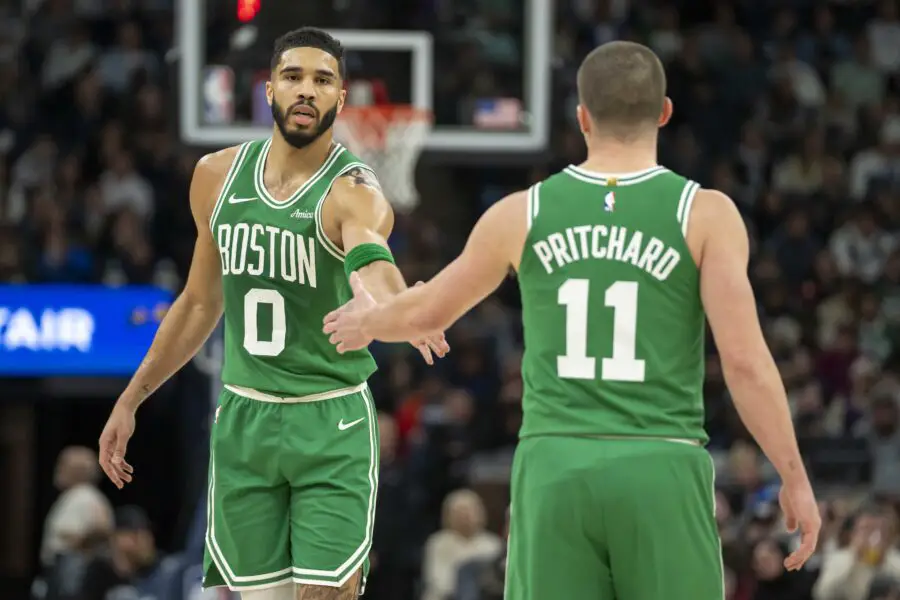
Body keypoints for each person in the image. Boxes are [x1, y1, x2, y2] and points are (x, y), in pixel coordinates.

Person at [323, 40, 822, 600]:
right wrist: (794, 474)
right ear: (663, 113)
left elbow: (427, 311)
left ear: (582, 118)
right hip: (660, 461)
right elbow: (746, 362)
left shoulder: (521, 212)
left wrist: (372, 319)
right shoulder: (706, 214)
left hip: (555, 466)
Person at [98, 27, 448, 600]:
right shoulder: (215, 177)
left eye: (322, 80)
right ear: (268, 89)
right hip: (245, 420)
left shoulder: (353, 190)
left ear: (341, 96)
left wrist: (401, 304)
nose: (306, 90)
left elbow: (372, 261)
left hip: (329, 421)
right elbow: (200, 303)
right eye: (293, 77)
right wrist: (131, 397)